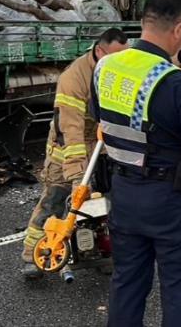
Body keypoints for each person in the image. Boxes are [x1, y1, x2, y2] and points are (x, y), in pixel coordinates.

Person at [91, 0, 181, 327]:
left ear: (145, 22)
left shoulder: (105, 66)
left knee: (127, 283)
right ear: (178, 29)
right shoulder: (176, 82)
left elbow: (102, 119)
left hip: (124, 193)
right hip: (171, 199)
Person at [21, 28, 129, 279]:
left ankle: (101, 252)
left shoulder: (116, 69)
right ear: (100, 50)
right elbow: (71, 129)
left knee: (103, 202)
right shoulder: (74, 78)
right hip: (68, 147)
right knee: (56, 200)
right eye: (115, 56)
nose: (121, 62)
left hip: (101, 145)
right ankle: (31, 255)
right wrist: (77, 173)